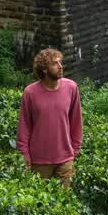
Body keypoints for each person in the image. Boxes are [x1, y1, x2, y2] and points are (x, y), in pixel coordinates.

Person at [16, 48, 82, 188]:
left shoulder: (71, 87)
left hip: (65, 158)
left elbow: (76, 121)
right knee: (40, 204)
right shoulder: (30, 93)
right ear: (44, 69)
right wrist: (24, 154)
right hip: (39, 160)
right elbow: (24, 125)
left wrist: (75, 149)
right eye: (55, 64)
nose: (60, 67)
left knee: (65, 203)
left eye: (60, 63)